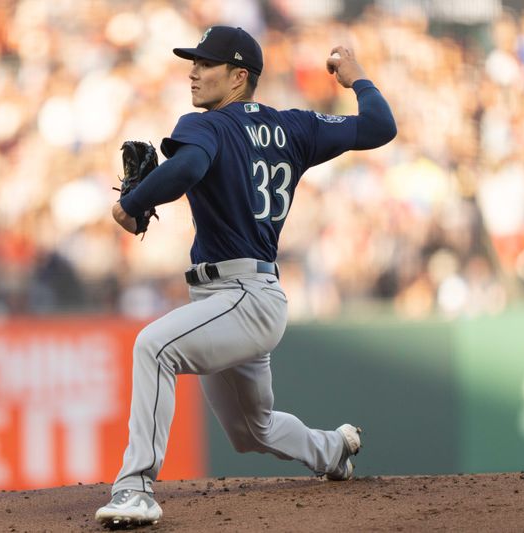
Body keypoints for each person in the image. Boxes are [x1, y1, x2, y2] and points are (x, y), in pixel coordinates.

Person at [95, 25, 396, 528]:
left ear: (238, 77)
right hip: (243, 299)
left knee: (154, 347)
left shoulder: (207, 126)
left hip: (241, 296)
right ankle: (333, 450)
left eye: (205, 65)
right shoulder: (295, 126)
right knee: (249, 430)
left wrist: (134, 200)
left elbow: (188, 167)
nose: (193, 72)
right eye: (193, 63)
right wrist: (358, 79)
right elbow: (379, 127)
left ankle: (135, 489)